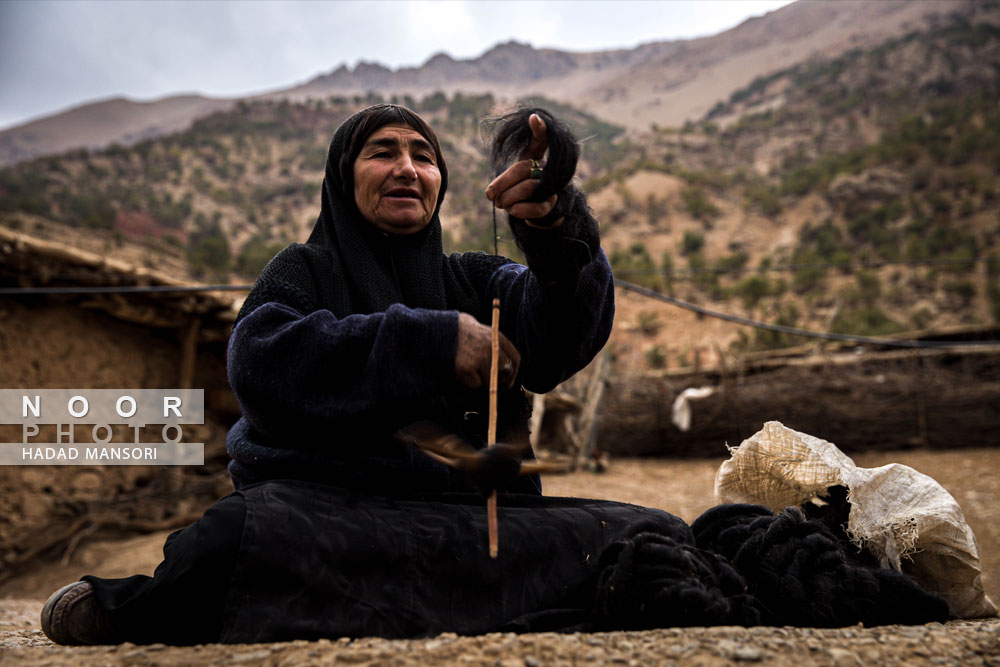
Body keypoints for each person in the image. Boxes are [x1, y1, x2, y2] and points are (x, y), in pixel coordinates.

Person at [40, 104, 949, 646]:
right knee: (230, 541)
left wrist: (559, 231)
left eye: (424, 153)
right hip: (332, 514)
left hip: (483, 525)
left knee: (645, 533)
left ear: (442, 182)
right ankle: (130, 608)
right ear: (341, 176)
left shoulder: (480, 276)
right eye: (382, 150)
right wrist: (433, 342)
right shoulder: (301, 270)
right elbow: (263, 360)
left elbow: (559, 334)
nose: (407, 166)